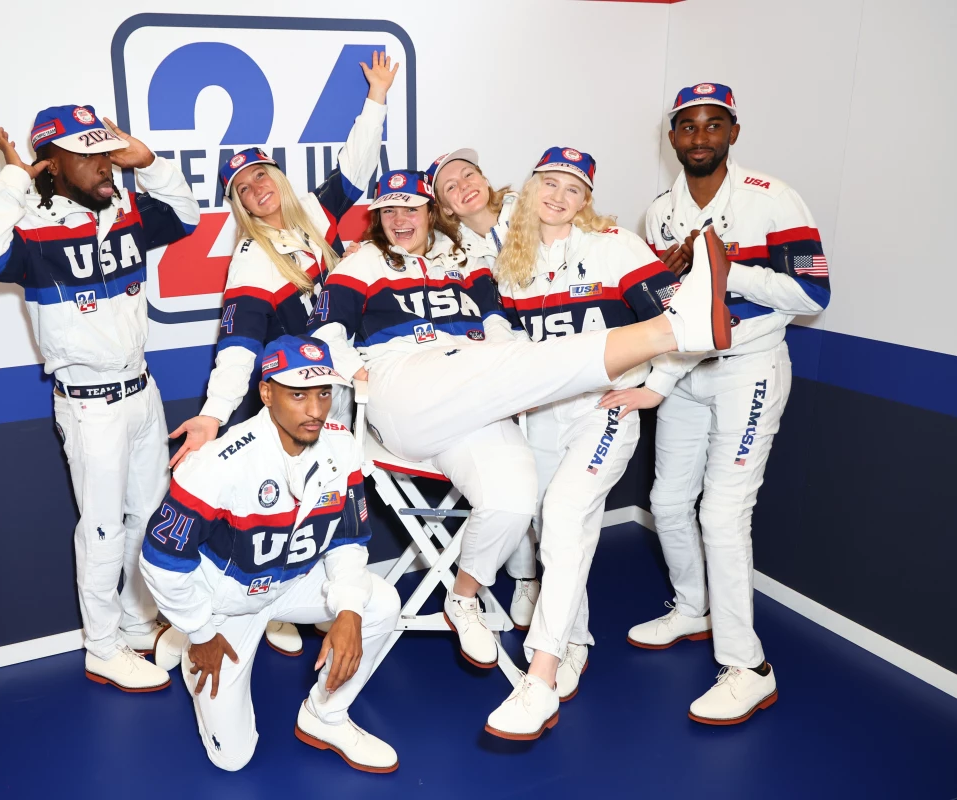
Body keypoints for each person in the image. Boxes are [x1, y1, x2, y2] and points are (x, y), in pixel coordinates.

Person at [309, 168, 733, 671]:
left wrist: (516, 370)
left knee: (514, 498)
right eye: (389, 210)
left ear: (431, 212)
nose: (401, 218)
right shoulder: (361, 263)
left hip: (476, 391)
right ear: (378, 217)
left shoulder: (466, 263)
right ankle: (674, 330)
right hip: (402, 386)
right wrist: (356, 370)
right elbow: (328, 331)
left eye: (411, 207)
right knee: (494, 366)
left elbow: (497, 330)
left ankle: (463, 596)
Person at [603, 83, 830, 725]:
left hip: (749, 369)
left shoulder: (773, 198)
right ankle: (692, 608)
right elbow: (670, 310)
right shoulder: (660, 212)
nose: (699, 137)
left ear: (733, 132)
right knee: (669, 502)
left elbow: (814, 295)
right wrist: (659, 377)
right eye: (687, 127)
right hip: (687, 370)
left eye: (712, 125)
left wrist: (728, 269)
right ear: (671, 136)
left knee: (722, 514)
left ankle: (748, 666)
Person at [167, 52, 399, 658]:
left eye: (263, 176)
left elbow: (355, 166)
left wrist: (375, 100)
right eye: (244, 189)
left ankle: (304, 597)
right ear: (240, 205)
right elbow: (238, 350)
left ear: (280, 180)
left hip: (334, 389)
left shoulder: (315, 221)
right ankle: (253, 606)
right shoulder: (251, 259)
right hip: (282, 407)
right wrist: (215, 415)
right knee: (282, 507)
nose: (258, 189)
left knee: (326, 500)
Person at [0, 106, 198, 691]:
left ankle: (140, 623)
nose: (103, 164)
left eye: (105, 150)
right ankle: (101, 646)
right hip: (90, 402)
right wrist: (16, 180)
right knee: (102, 529)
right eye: (87, 153)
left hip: (143, 389)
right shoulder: (32, 228)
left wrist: (151, 163)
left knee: (149, 516)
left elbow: (187, 219)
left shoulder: (126, 210)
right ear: (53, 163)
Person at [482, 147, 680, 739]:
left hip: (604, 409)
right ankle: (574, 639)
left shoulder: (615, 245)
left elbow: (679, 314)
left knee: (567, 512)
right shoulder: (513, 257)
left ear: (587, 199)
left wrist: (659, 385)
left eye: (574, 188)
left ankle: (538, 677)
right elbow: (508, 337)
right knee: (554, 525)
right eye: (550, 183)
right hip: (543, 412)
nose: (559, 196)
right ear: (532, 186)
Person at [141, 335, 401, 773]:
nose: (316, 409)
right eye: (298, 394)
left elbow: (347, 540)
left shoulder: (342, 445)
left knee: (379, 603)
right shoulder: (218, 463)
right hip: (226, 603)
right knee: (233, 759)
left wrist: (350, 611)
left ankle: (325, 716)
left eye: (323, 392)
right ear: (266, 393)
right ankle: (187, 641)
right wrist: (201, 631)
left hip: (289, 585)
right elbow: (160, 560)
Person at [424, 149, 539, 628]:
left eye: (468, 174)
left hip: (554, 352)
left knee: (547, 482)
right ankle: (524, 574)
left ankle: (538, 582)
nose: (463, 185)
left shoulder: (531, 211)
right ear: (445, 207)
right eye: (450, 185)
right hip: (503, 364)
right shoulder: (448, 251)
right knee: (519, 469)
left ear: (485, 178)